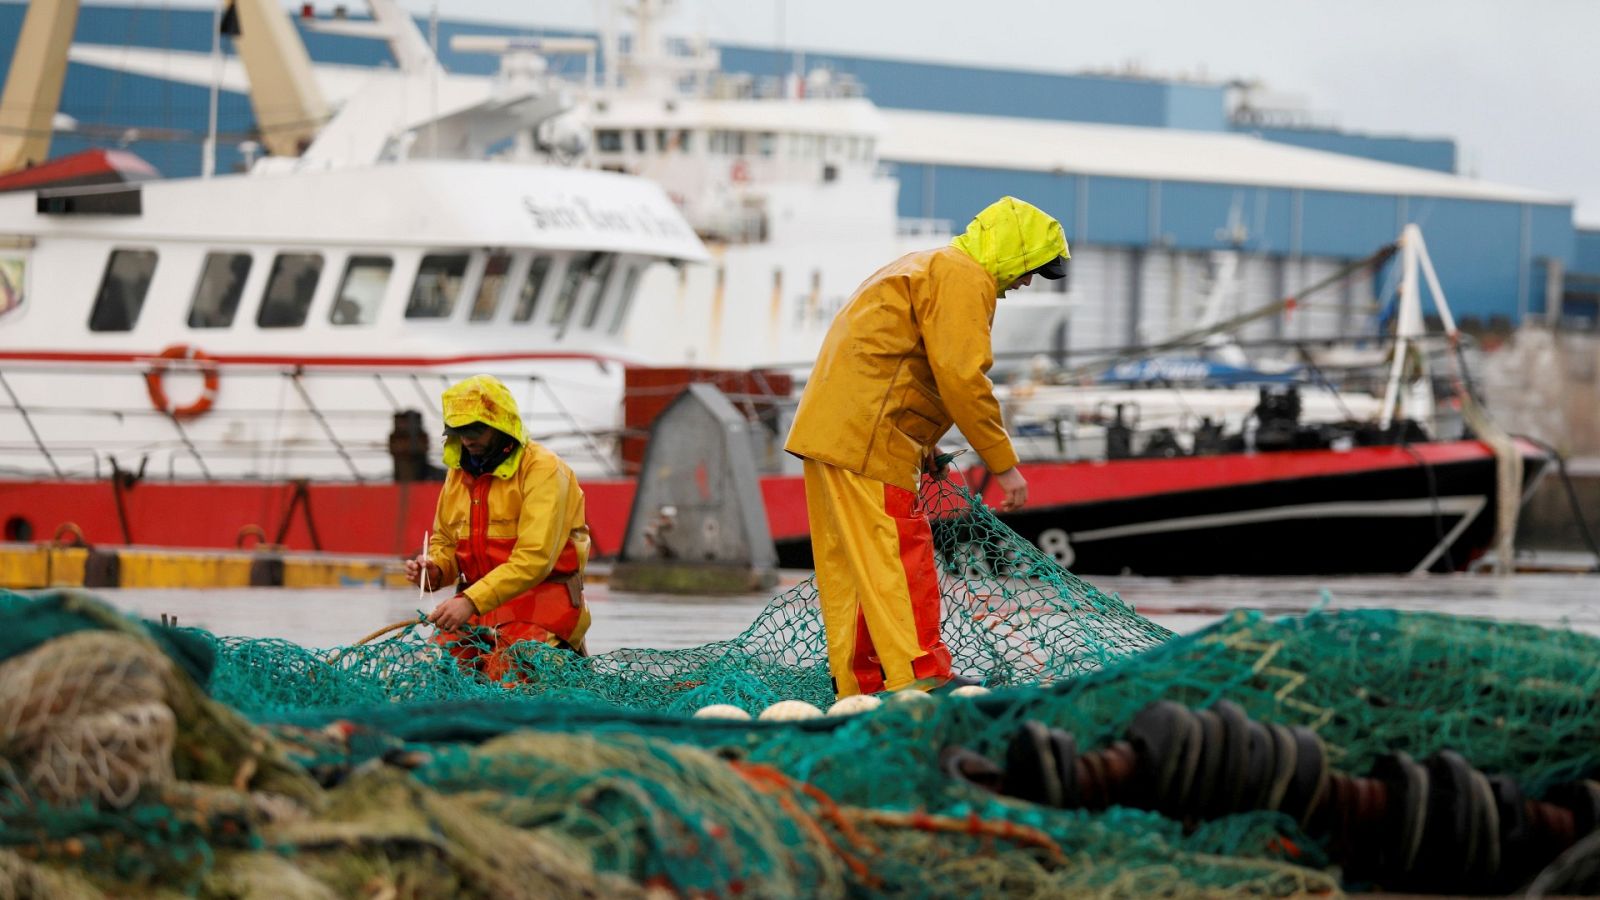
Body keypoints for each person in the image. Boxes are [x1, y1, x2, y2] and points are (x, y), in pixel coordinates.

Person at [784, 196, 1069, 699]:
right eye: (1032, 270)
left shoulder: (926, 264)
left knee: (853, 568)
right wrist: (1004, 466)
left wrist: (925, 448)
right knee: (899, 554)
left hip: (835, 434)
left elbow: (900, 366)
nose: (1027, 283)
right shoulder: (963, 276)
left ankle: (859, 683)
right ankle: (920, 676)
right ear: (1011, 251)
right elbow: (961, 378)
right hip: (869, 441)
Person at [403, 374, 592, 678]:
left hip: (540, 612)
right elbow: (446, 542)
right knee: (432, 673)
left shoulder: (543, 469)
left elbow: (534, 559)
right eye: (458, 430)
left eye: (475, 429)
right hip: (475, 614)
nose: (467, 439)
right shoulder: (458, 473)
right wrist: (435, 570)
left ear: (501, 425)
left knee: (507, 677)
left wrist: (470, 600)